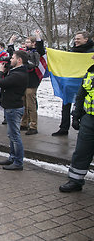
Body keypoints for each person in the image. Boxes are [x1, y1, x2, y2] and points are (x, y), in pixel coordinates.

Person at [59, 58, 94, 192]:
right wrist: (76, 115)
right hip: (89, 119)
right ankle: (75, 180)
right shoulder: (90, 72)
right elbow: (81, 95)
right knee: (81, 151)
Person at [52, 31, 94, 136]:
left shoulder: (91, 51)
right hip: (70, 83)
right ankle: (63, 128)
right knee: (65, 105)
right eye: (75, 39)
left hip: (85, 84)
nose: (76, 41)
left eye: (78, 39)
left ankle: (83, 128)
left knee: (82, 106)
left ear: (86, 39)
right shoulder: (72, 51)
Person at [0, 50, 28, 170]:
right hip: (11, 107)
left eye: (13, 58)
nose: (10, 60)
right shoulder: (17, 72)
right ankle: (12, 157)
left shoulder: (18, 75)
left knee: (15, 136)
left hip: (14, 108)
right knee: (11, 135)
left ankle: (18, 162)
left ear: (19, 60)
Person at [8, 30, 45, 135]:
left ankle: (33, 125)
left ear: (33, 43)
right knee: (23, 103)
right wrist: (11, 42)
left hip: (32, 81)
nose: (26, 44)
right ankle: (24, 123)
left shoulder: (36, 52)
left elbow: (40, 49)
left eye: (28, 42)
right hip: (24, 80)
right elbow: (13, 55)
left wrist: (38, 37)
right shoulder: (24, 53)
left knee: (31, 104)